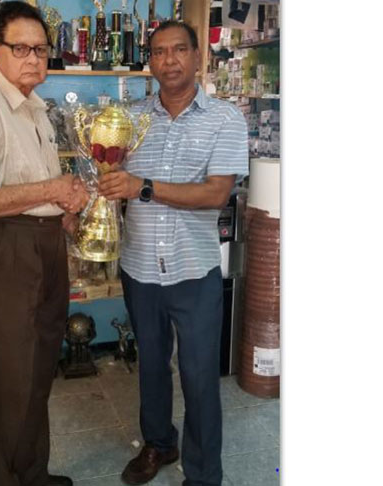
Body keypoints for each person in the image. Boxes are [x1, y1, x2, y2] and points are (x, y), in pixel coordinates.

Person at [98, 20, 249, 486]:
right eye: (159, 52)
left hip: (193, 269)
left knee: (200, 376)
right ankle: (160, 443)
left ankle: (204, 475)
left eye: (179, 50)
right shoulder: (133, 119)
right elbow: (109, 178)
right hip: (140, 267)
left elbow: (214, 194)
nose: (169, 60)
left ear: (197, 56)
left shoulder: (225, 119)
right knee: (151, 366)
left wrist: (142, 187)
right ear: (151, 61)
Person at [0, 2, 87, 485]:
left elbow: (31, 185)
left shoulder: (36, 109)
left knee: (37, 371)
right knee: (7, 381)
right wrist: (51, 191)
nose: (33, 59)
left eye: (41, 49)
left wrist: (61, 210)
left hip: (41, 245)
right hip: (2, 249)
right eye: (20, 48)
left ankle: (32, 473)